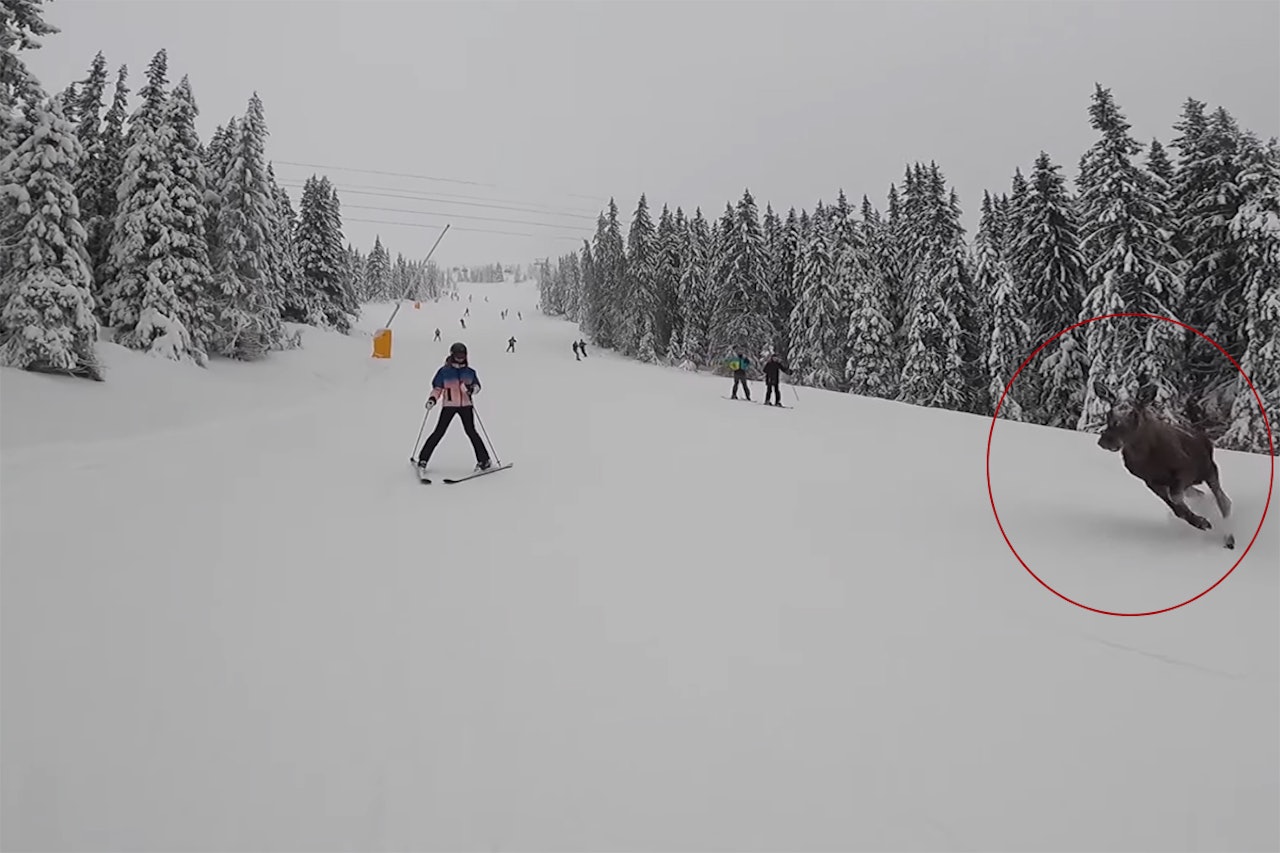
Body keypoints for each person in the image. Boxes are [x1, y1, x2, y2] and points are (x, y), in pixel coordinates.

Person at [415, 342, 491, 474]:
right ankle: (423, 459)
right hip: (449, 405)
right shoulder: (444, 372)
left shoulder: (470, 372)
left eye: (462, 355)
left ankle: (484, 460)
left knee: (471, 432)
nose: (460, 357)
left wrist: (472, 389)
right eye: (457, 355)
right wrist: (432, 399)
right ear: (452, 355)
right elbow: (437, 388)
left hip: (466, 406)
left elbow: (477, 386)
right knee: (439, 432)